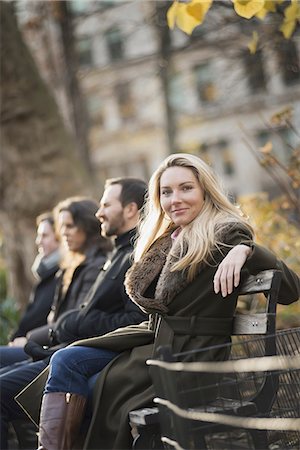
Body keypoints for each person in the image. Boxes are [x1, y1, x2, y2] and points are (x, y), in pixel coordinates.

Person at [17, 154, 300, 450]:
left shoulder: (226, 233)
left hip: (188, 358)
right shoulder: (168, 239)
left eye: (186, 188)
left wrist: (246, 250)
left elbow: (291, 290)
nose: (175, 199)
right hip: (152, 344)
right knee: (66, 359)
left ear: (205, 191)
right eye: (166, 192)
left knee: (87, 389)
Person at [0, 178, 148, 450]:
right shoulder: (118, 253)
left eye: (106, 205)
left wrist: (74, 324)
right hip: (71, 347)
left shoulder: (133, 256)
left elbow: (135, 321)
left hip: (90, 354)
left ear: (130, 210)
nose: (99, 213)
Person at [0, 212, 60, 368]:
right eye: (38, 236)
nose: (38, 241)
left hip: (41, 347)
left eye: (44, 236)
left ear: (59, 237)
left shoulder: (61, 275)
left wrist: (28, 339)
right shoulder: (46, 274)